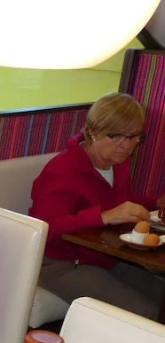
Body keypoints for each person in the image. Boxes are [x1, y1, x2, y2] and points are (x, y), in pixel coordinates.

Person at [29, 92, 165, 319]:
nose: (126, 145)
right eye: (115, 136)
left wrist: (155, 202)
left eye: (133, 136)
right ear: (92, 132)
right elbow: (44, 229)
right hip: (58, 264)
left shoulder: (118, 164)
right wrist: (104, 216)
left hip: (104, 257)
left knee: (162, 297)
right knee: (143, 311)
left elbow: (121, 204)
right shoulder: (62, 170)